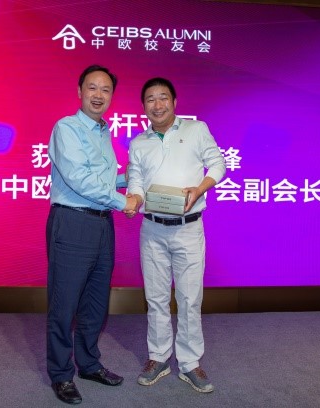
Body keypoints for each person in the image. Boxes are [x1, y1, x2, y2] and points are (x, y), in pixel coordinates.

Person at [46, 64, 138, 405]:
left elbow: (102, 180)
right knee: (64, 304)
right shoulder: (67, 128)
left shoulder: (103, 132)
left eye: (106, 89)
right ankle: (61, 374)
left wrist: (133, 180)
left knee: (95, 302)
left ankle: (88, 364)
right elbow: (79, 180)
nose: (99, 95)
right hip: (72, 222)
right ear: (80, 91)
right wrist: (124, 201)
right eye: (92, 88)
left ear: (112, 96)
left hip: (101, 223)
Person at [126, 77, 226, 393]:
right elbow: (135, 180)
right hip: (152, 229)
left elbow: (218, 164)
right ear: (144, 107)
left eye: (163, 97)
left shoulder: (196, 130)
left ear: (174, 101)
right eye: (150, 99)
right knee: (155, 298)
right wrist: (134, 199)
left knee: (189, 298)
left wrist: (199, 189)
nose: (157, 105)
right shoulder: (139, 143)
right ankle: (158, 358)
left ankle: (190, 363)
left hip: (189, 229)